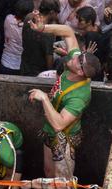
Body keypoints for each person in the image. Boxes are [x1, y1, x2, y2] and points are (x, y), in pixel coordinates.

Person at [25, 20, 101, 178]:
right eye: (79, 56)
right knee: (48, 172)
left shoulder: (79, 96)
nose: (75, 56)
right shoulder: (74, 62)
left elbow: (59, 124)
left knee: (62, 181)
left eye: (79, 60)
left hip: (64, 137)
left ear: (81, 72)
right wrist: (43, 28)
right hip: (49, 130)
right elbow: (68, 31)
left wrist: (44, 99)